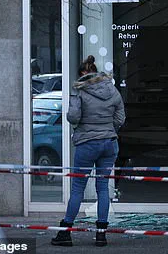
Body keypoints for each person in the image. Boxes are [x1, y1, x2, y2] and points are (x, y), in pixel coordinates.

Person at [51, 55, 125, 247]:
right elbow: (120, 117)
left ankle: (65, 233)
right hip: (109, 143)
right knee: (103, 188)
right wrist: (108, 129)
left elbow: (73, 117)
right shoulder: (111, 88)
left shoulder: (79, 89)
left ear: (83, 73)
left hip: (87, 144)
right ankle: (101, 235)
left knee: (78, 188)